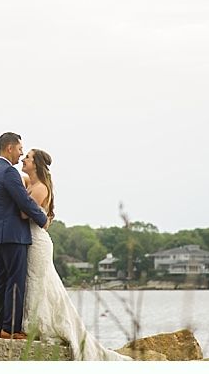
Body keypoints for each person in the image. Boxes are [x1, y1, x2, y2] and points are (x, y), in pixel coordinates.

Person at [19, 148, 132, 360]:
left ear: (36, 164)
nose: (24, 159)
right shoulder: (30, 183)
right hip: (30, 240)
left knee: (39, 282)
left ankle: (39, 325)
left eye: (28, 157)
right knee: (35, 282)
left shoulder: (41, 188)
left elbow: (25, 213)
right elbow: (17, 177)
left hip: (38, 242)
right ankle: (33, 324)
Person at [0, 132, 49, 339]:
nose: (21, 154)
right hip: (13, 235)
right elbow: (24, 201)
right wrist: (43, 219)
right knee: (15, 281)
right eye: (20, 149)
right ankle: (10, 328)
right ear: (9, 148)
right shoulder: (9, 172)